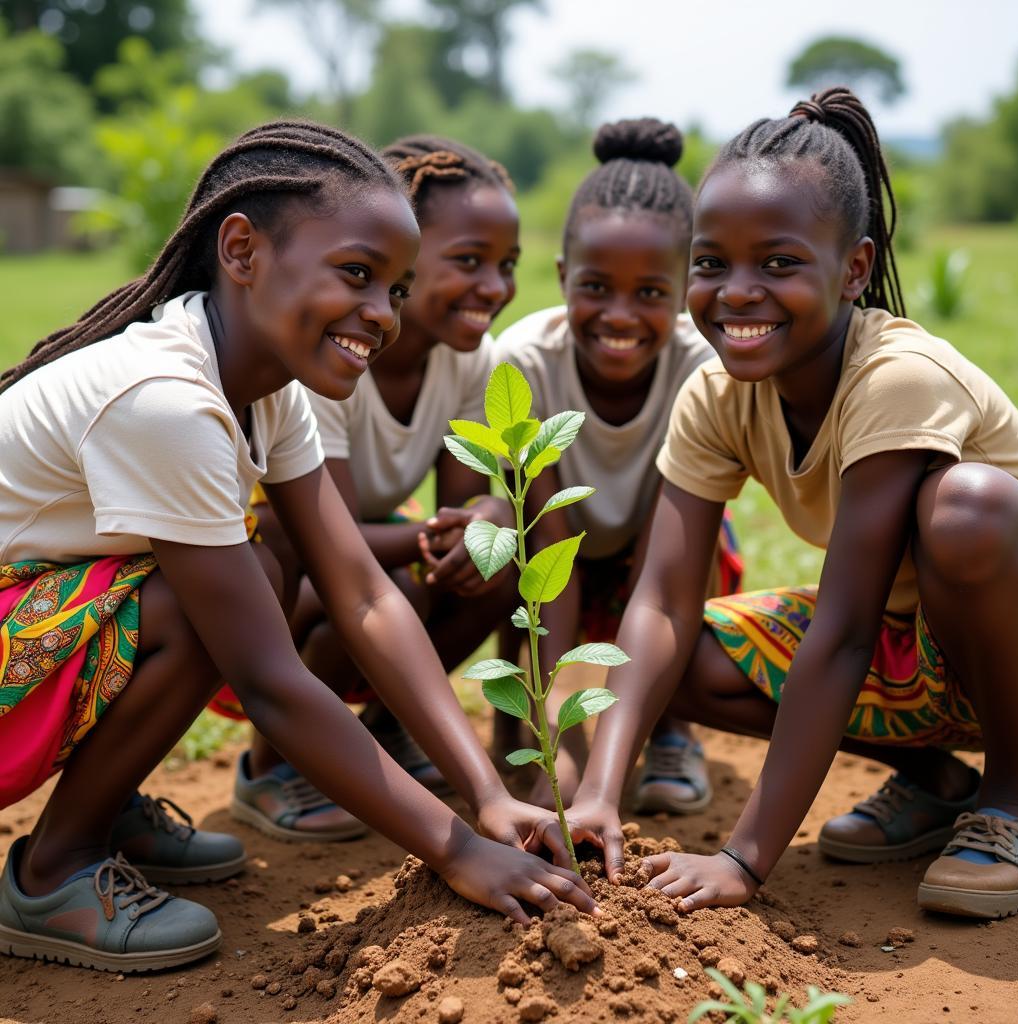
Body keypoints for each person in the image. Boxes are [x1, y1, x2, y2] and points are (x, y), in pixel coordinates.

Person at [0, 121, 599, 975]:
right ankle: (52, 868)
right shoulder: (164, 401)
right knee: (207, 602)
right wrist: (459, 849)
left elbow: (360, 590)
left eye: (394, 289)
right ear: (241, 249)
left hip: (27, 616)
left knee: (259, 570)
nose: (380, 314)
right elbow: (271, 681)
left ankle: (105, 804)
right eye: (357, 274)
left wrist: (488, 794)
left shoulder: (263, 384)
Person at [557, 89, 1018, 921]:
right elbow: (662, 601)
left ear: (852, 270)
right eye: (710, 263)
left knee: (969, 509)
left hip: (1004, 648)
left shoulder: (900, 378)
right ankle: (938, 784)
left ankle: (1013, 801)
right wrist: (599, 791)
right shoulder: (714, 394)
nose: (737, 293)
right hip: (920, 656)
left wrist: (745, 857)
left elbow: (843, 630)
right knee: (669, 657)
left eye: (777, 264)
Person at [229, 135, 523, 840]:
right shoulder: (333, 353)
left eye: (507, 265)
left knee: (500, 563)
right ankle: (272, 768)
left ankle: (388, 731)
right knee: (390, 586)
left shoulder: (470, 363)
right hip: (274, 578)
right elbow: (315, 535)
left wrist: (481, 517)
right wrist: (430, 537)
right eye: (468, 262)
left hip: (369, 546)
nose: (494, 287)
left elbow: (462, 500)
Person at [495, 118, 742, 813]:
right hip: (559, 552)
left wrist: (610, 763)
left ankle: (673, 729)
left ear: (687, 288)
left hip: (659, 550)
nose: (621, 316)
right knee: (517, 569)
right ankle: (517, 724)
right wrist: (560, 755)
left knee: (704, 555)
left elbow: (660, 575)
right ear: (563, 277)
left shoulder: (703, 366)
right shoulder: (523, 365)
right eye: (596, 287)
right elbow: (549, 547)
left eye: (652, 293)